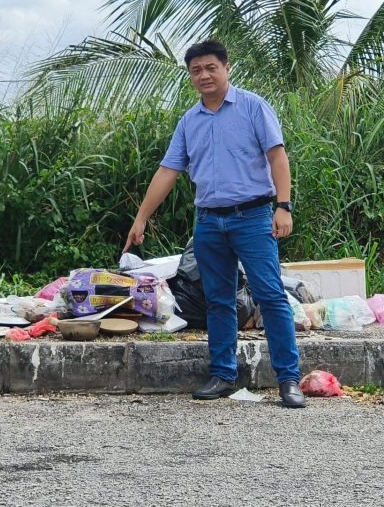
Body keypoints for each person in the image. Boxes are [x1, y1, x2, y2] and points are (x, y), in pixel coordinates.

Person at [123, 40, 304, 408]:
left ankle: (288, 379)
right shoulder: (190, 121)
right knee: (218, 300)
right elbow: (168, 171)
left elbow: (277, 156)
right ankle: (223, 374)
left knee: (270, 296)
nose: (204, 75)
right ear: (190, 76)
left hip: (253, 218)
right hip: (208, 222)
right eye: (196, 70)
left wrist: (283, 207)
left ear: (226, 68)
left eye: (211, 67)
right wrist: (141, 218)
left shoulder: (253, 107)